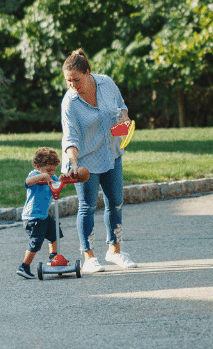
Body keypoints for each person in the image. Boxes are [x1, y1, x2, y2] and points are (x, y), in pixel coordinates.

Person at [62, 48, 137, 273]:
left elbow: (121, 107)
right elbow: (70, 136)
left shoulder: (106, 83)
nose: (72, 85)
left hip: (111, 153)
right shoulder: (70, 102)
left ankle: (115, 251)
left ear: (87, 73)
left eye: (76, 79)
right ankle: (88, 257)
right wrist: (73, 162)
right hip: (84, 159)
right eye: (67, 81)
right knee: (87, 206)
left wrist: (124, 118)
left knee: (116, 203)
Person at [17, 147, 64, 279]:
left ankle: (53, 258)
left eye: (54, 170)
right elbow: (27, 182)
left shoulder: (52, 176)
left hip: (43, 216)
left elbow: (59, 185)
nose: (51, 173)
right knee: (36, 242)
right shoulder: (34, 175)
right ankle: (24, 266)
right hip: (32, 217)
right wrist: (43, 176)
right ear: (38, 166)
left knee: (55, 232)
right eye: (48, 170)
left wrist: (63, 178)